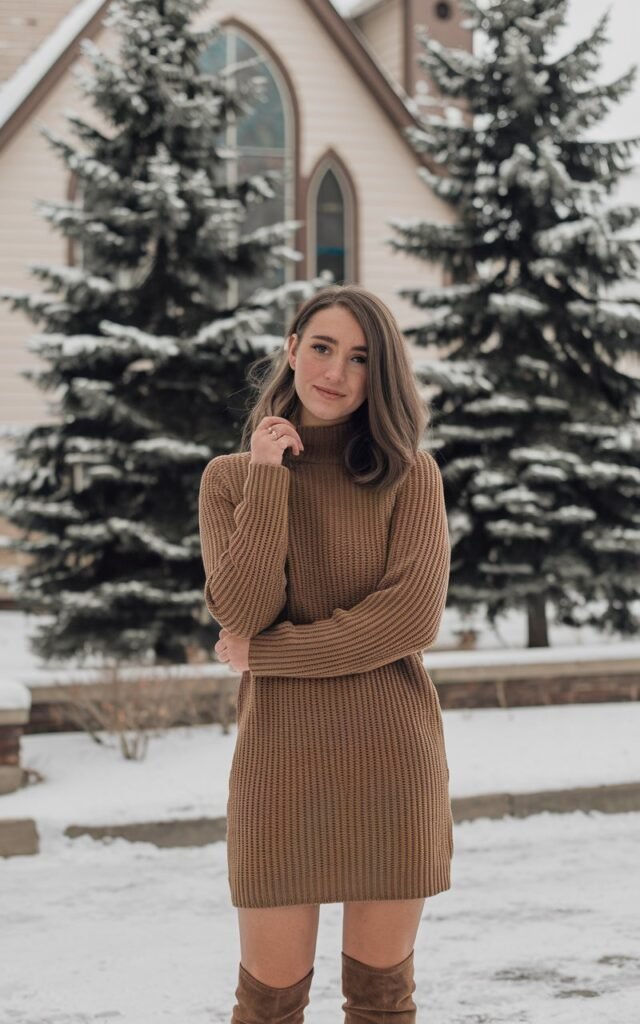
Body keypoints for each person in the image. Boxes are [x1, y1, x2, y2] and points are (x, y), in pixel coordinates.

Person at [198, 284, 453, 1023]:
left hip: (392, 761)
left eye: (360, 358)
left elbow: (407, 620)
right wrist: (268, 476)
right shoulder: (230, 480)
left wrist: (267, 657)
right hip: (279, 767)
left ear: (382, 375)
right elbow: (242, 611)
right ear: (291, 349)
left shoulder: (412, 475)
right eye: (322, 347)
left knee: (381, 1004)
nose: (336, 371)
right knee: (268, 1005)